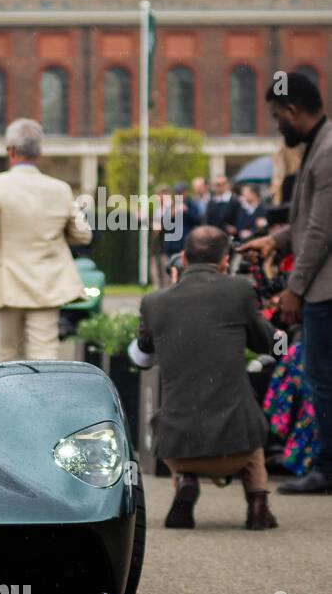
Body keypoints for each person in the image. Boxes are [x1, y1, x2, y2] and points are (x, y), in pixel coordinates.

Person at [135, 226, 279, 529]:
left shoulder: (153, 302)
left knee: (171, 413)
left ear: (183, 258)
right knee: (249, 417)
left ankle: (185, 482)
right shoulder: (239, 289)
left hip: (178, 447)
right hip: (236, 446)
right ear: (225, 260)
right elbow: (269, 344)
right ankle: (257, 503)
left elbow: (140, 357)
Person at [240, 70, 332, 495]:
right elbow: (304, 223)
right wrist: (272, 240)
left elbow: (320, 231)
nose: (277, 126)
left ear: (293, 110)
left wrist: (294, 288)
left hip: (324, 291)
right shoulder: (319, 146)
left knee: (321, 378)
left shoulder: (327, 150)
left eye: (278, 116)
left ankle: (327, 470)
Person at [0, 118, 92, 360]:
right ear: (39, 152)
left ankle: (13, 398)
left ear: (11, 150)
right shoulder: (60, 189)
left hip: (7, 280)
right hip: (48, 281)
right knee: (45, 353)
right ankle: (44, 397)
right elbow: (83, 234)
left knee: (9, 354)